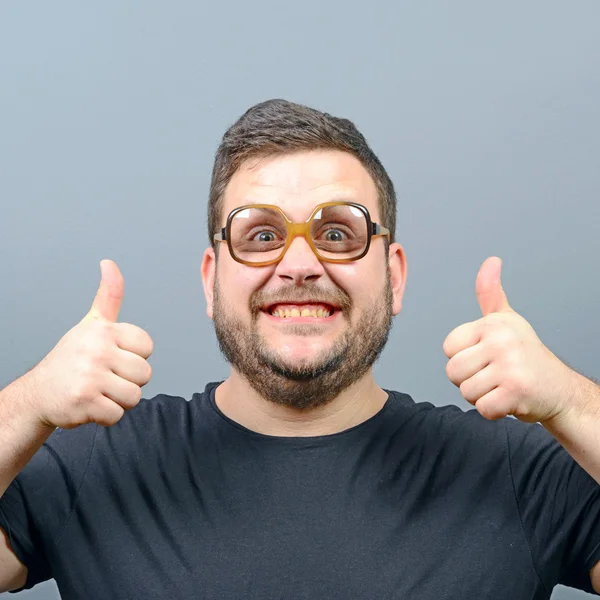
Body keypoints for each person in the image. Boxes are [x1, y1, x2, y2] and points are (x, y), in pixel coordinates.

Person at [1, 99, 599, 600]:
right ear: (211, 280)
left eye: (337, 233)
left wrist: (573, 403)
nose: (299, 265)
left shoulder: (520, 474)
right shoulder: (92, 467)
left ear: (395, 274)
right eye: (261, 235)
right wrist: (25, 406)